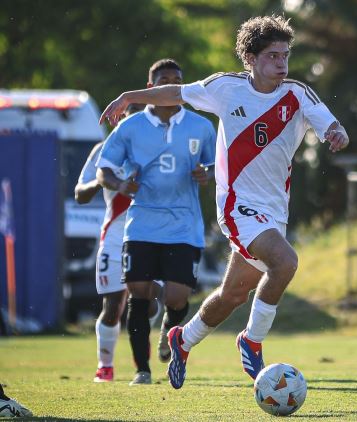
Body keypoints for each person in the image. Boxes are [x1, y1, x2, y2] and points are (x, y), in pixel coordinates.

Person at [99, 15, 349, 390]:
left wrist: (336, 131)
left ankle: (181, 339)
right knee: (285, 262)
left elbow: (327, 122)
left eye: (285, 56)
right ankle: (252, 340)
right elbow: (174, 94)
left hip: (273, 211)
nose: (281, 64)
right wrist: (129, 97)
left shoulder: (297, 94)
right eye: (272, 56)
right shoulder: (225, 88)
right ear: (250, 57)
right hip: (236, 205)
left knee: (232, 294)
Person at [96, 58, 216, 385]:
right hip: (142, 224)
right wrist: (120, 184)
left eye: (176, 81)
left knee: (177, 298)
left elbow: (220, 165)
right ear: (151, 88)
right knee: (139, 295)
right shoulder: (130, 127)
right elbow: (103, 170)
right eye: (165, 81)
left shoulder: (202, 126)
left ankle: (168, 331)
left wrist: (208, 173)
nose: (171, 87)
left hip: (184, 225)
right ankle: (142, 370)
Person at [74, 103, 163, 383]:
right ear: (119, 119)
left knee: (146, 302)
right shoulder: (103, 151)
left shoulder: (161, 147)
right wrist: (103, 182)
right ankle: (105, 365)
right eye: (131, 115)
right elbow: (79, 193)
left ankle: (147, 329)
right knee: (113, 306)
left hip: (151, 235)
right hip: (114, 237)